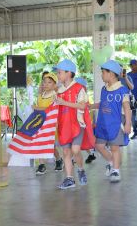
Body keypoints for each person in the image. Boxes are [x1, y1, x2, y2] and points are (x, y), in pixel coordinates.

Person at [54, 59, 95, 189]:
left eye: (59, 72)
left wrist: (64, 103)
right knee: (66, 152)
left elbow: (82, 106)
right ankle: (69, 179)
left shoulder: (79, 89)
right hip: (63, 125)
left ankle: (81, 169)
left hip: (77, 124)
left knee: (75, 150)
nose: (58, 75)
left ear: (68, 73)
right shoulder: (59, 90)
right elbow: (56, 109)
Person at [90, 60, 131, 183]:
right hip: (102, 123)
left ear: (111, 74)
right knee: (99, 146)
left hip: (115, 123)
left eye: (103, 72)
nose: (101, 75)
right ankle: (112, 161)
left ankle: (116, 171)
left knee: (114, 148)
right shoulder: (104, 89)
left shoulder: (122, 90)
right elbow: (103, 104)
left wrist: (128, 123)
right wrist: (90, 106)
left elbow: (127, 108)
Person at [33, 72, 63, 175]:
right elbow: (37, 111)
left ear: (54, 85)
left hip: (51, 125)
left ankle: (58, 159)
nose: (46, 84)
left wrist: (37, 108)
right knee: (40, 144)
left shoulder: (55, 96)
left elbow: (50, 109)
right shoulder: (41, 96)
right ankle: (42, 165)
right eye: (45, 82)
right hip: (41, 124)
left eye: (49, 82)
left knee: (51, 146)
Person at [74, 77, 97, 164]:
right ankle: (91, 153)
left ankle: (73, 158)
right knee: (81, 141)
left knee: (78, 141)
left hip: (82, 123)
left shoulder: (83, 97)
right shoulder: (78, 96)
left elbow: (88, 110)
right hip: (80, 123)